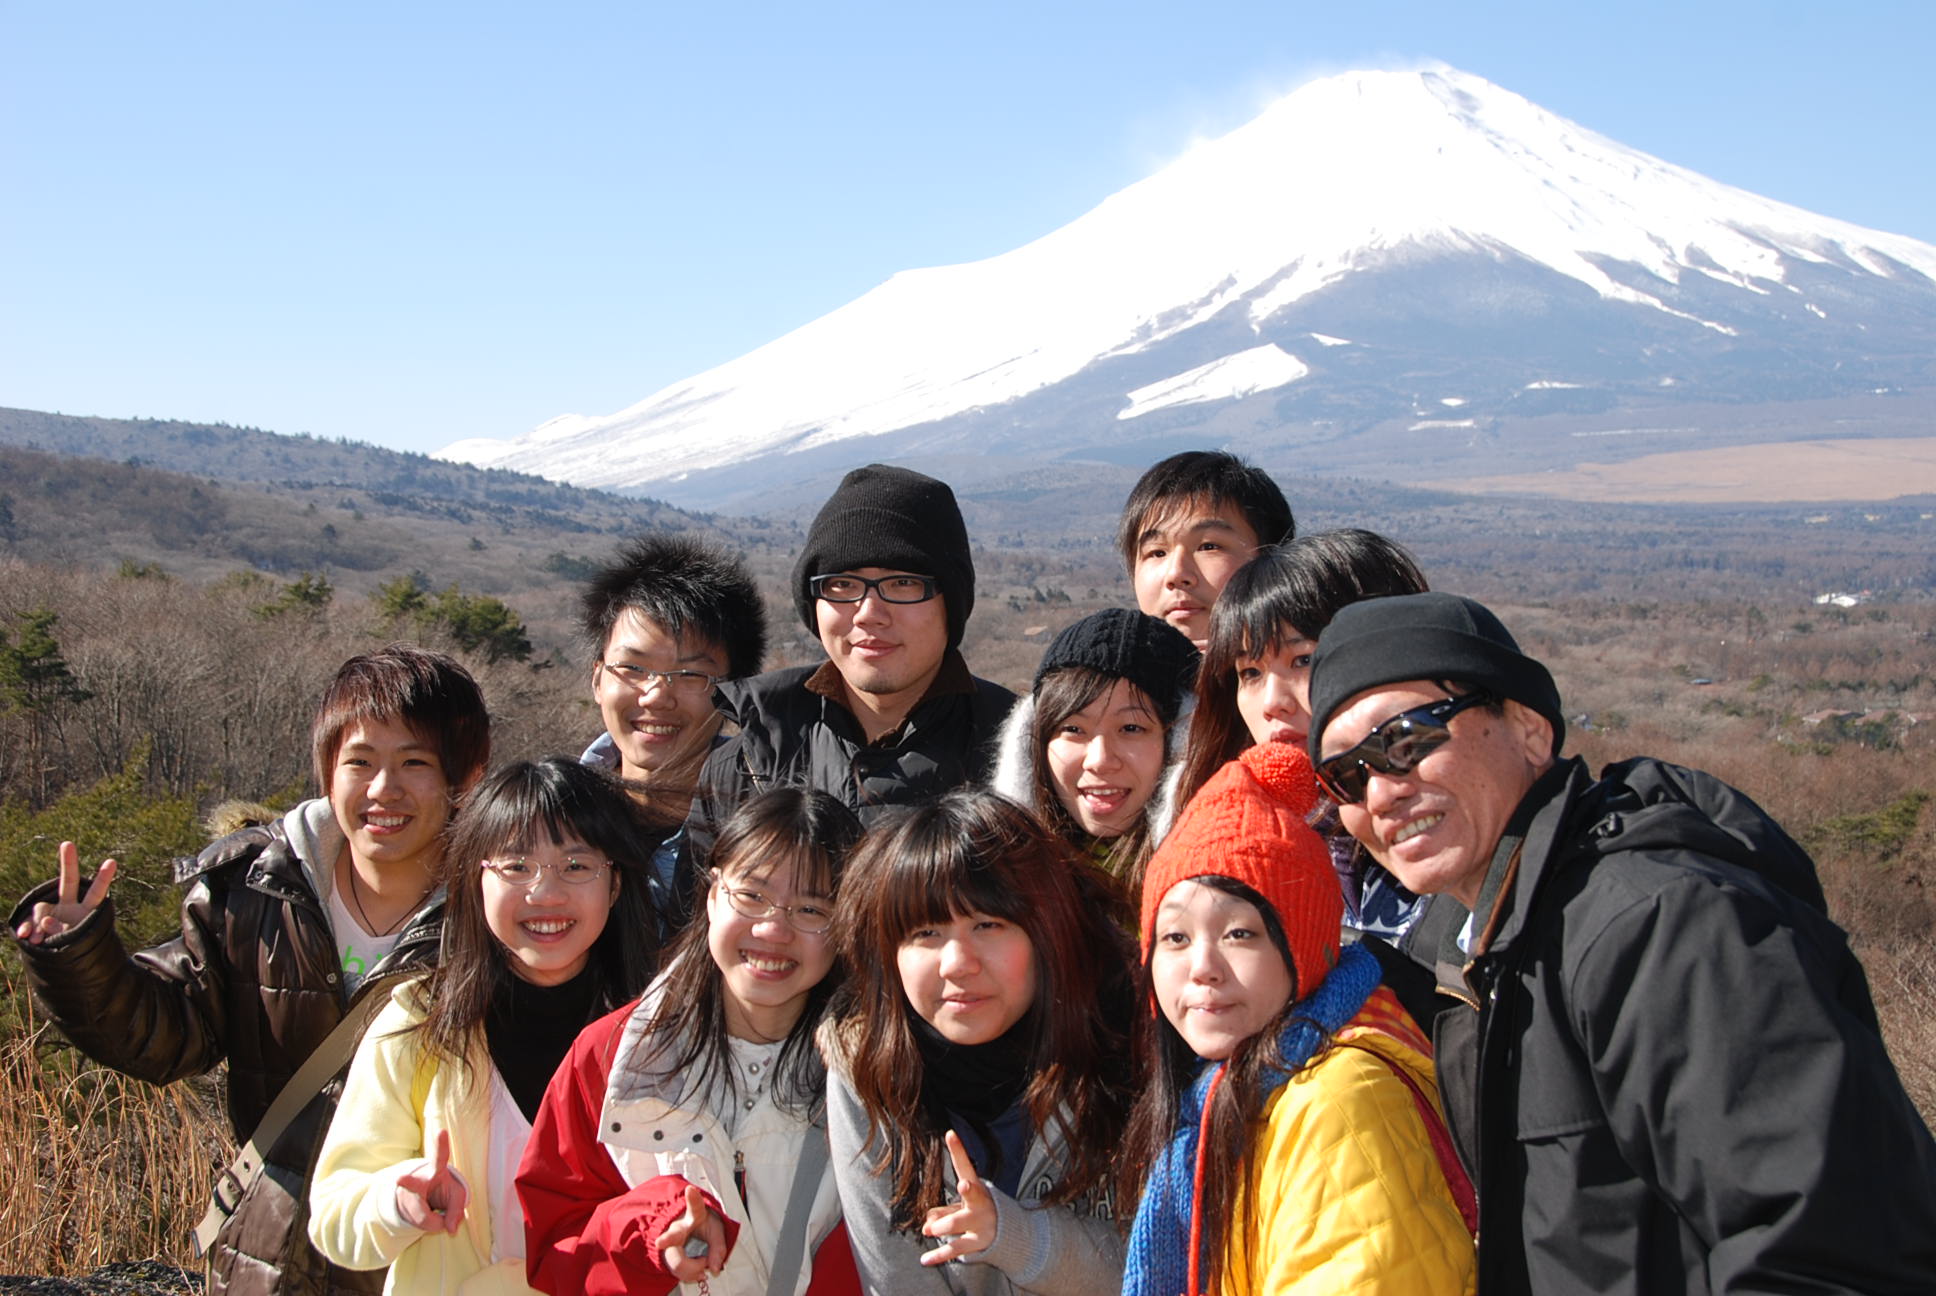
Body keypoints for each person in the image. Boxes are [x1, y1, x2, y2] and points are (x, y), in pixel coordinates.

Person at [1306, 591, 1936, 1294]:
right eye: (1348, 775)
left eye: (1406, 738)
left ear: (1530, 729)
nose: (1382, 791)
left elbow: (1832, 1255)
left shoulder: (1661, 927)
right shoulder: (1486, 953)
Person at [10, 645, 492, 1296]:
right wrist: (79, 955)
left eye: (415, 763)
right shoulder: (257, 889)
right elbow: (164, 1032)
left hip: (419, 1256)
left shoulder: (495, 918)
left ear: (465, 778)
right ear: (327, 771)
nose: (384, 790)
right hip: (267, 1257)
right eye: (360, 762)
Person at [1121, 742, 1476, 1296]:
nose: (1202, 968)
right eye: (1176, 938)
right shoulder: (1240, 1090)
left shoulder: (1336, 1100)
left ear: (1305, 949)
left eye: (1240, 933)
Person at [308, 758, 661, 1294]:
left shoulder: (662, 1036)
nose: (545, 894)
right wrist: (399, 1200)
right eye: (516, 866)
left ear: (614, 885)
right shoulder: (420, 1021)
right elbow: (333, 1218)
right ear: (475, 879)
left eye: (576, 866)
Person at [518, 787, 864, 1296]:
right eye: (752, 895)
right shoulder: (613, 1054)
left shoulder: (875, 1071)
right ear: (711, 893)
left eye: (811, 910)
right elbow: (554, 1244)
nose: (772, 929)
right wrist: (652, 1226)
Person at [824, 789, 1135, 1295]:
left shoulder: (1124, 1044)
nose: (957, 964)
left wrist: (1016, 1237)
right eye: (925, 932)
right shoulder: (866, 1064)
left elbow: (1156, 1266)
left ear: (1048, 933)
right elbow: (893, 1279)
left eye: (988, 924)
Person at [684, 464, 1015, 868]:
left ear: (953, 604)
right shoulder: (749, 763)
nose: (869, 613)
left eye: (903, 583)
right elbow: (700, 928)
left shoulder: (1020, 756)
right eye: (842, 584)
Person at [1173, 530, 1429, 941]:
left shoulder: (1456, 826)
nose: (1273, 701)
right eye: (1250, 673)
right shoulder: (1226, 843)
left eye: (1304, 659)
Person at [578, 532, 768, 930]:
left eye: (690, 674)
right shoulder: (551, 815)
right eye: (633, 668)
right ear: (598, 679)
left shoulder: (767, 829)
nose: (655, 696)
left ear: (734, 693)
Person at [988, 607, 1198, 896]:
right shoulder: (991, 888)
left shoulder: (1226, 889)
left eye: (1131, 728)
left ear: (1182, 744)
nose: (1099, 761)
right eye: (1073, 729)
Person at [1117, 450, 1293, 650]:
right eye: (1157, 553)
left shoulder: (1316, 677)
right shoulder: (1096, 678)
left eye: (1208, 547)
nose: (1176, 573)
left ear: (1274, 560)